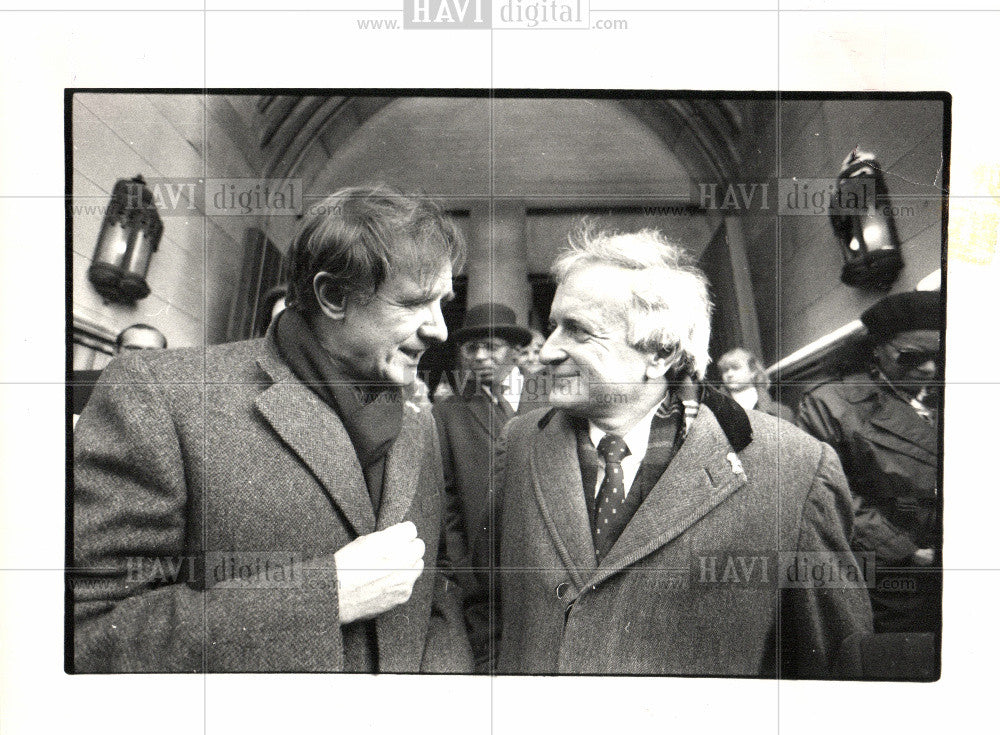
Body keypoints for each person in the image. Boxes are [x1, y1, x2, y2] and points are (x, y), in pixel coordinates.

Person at [72, 185, 473, 673]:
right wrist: (328, 595)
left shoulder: (417, 422)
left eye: (443, 303)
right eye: (415, 303)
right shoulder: (162, 394)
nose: (440, 330)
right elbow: (91, 632)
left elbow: (439, 588)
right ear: (331, 296)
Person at [494, 227, 872, 677]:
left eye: (578, 331)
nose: (549, 350)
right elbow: (487, 600)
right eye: (554, 325)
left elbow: (833, 667)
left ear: (661, 352)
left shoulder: (793, 468)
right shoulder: (519, 442)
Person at [797, 290, 942, 635]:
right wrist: (907, 551)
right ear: (876, 348)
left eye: (938, 355)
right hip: (900, 574)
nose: (929, 368)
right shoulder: (830, 402)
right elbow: (829, 497)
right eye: (911, 356)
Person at [432, 302, 540, 672]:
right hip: (484, 587)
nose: (479, 357)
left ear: (514, 351)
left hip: (547, 575)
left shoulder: (550, 401)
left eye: (491, 347)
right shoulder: (447, 413)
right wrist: (465, 570)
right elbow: (446, 502)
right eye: (470, 348)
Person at [72, 323, 168, 419]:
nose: (141, 356)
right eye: (133, 349)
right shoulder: (75, 383)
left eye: (152, 352)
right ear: (116, 351)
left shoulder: (167, 402)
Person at [716, 346, 794, 422]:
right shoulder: (714, 413)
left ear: (752, 371)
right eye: (725, 370)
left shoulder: (781, 412)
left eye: (735, 368)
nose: (729, 374)